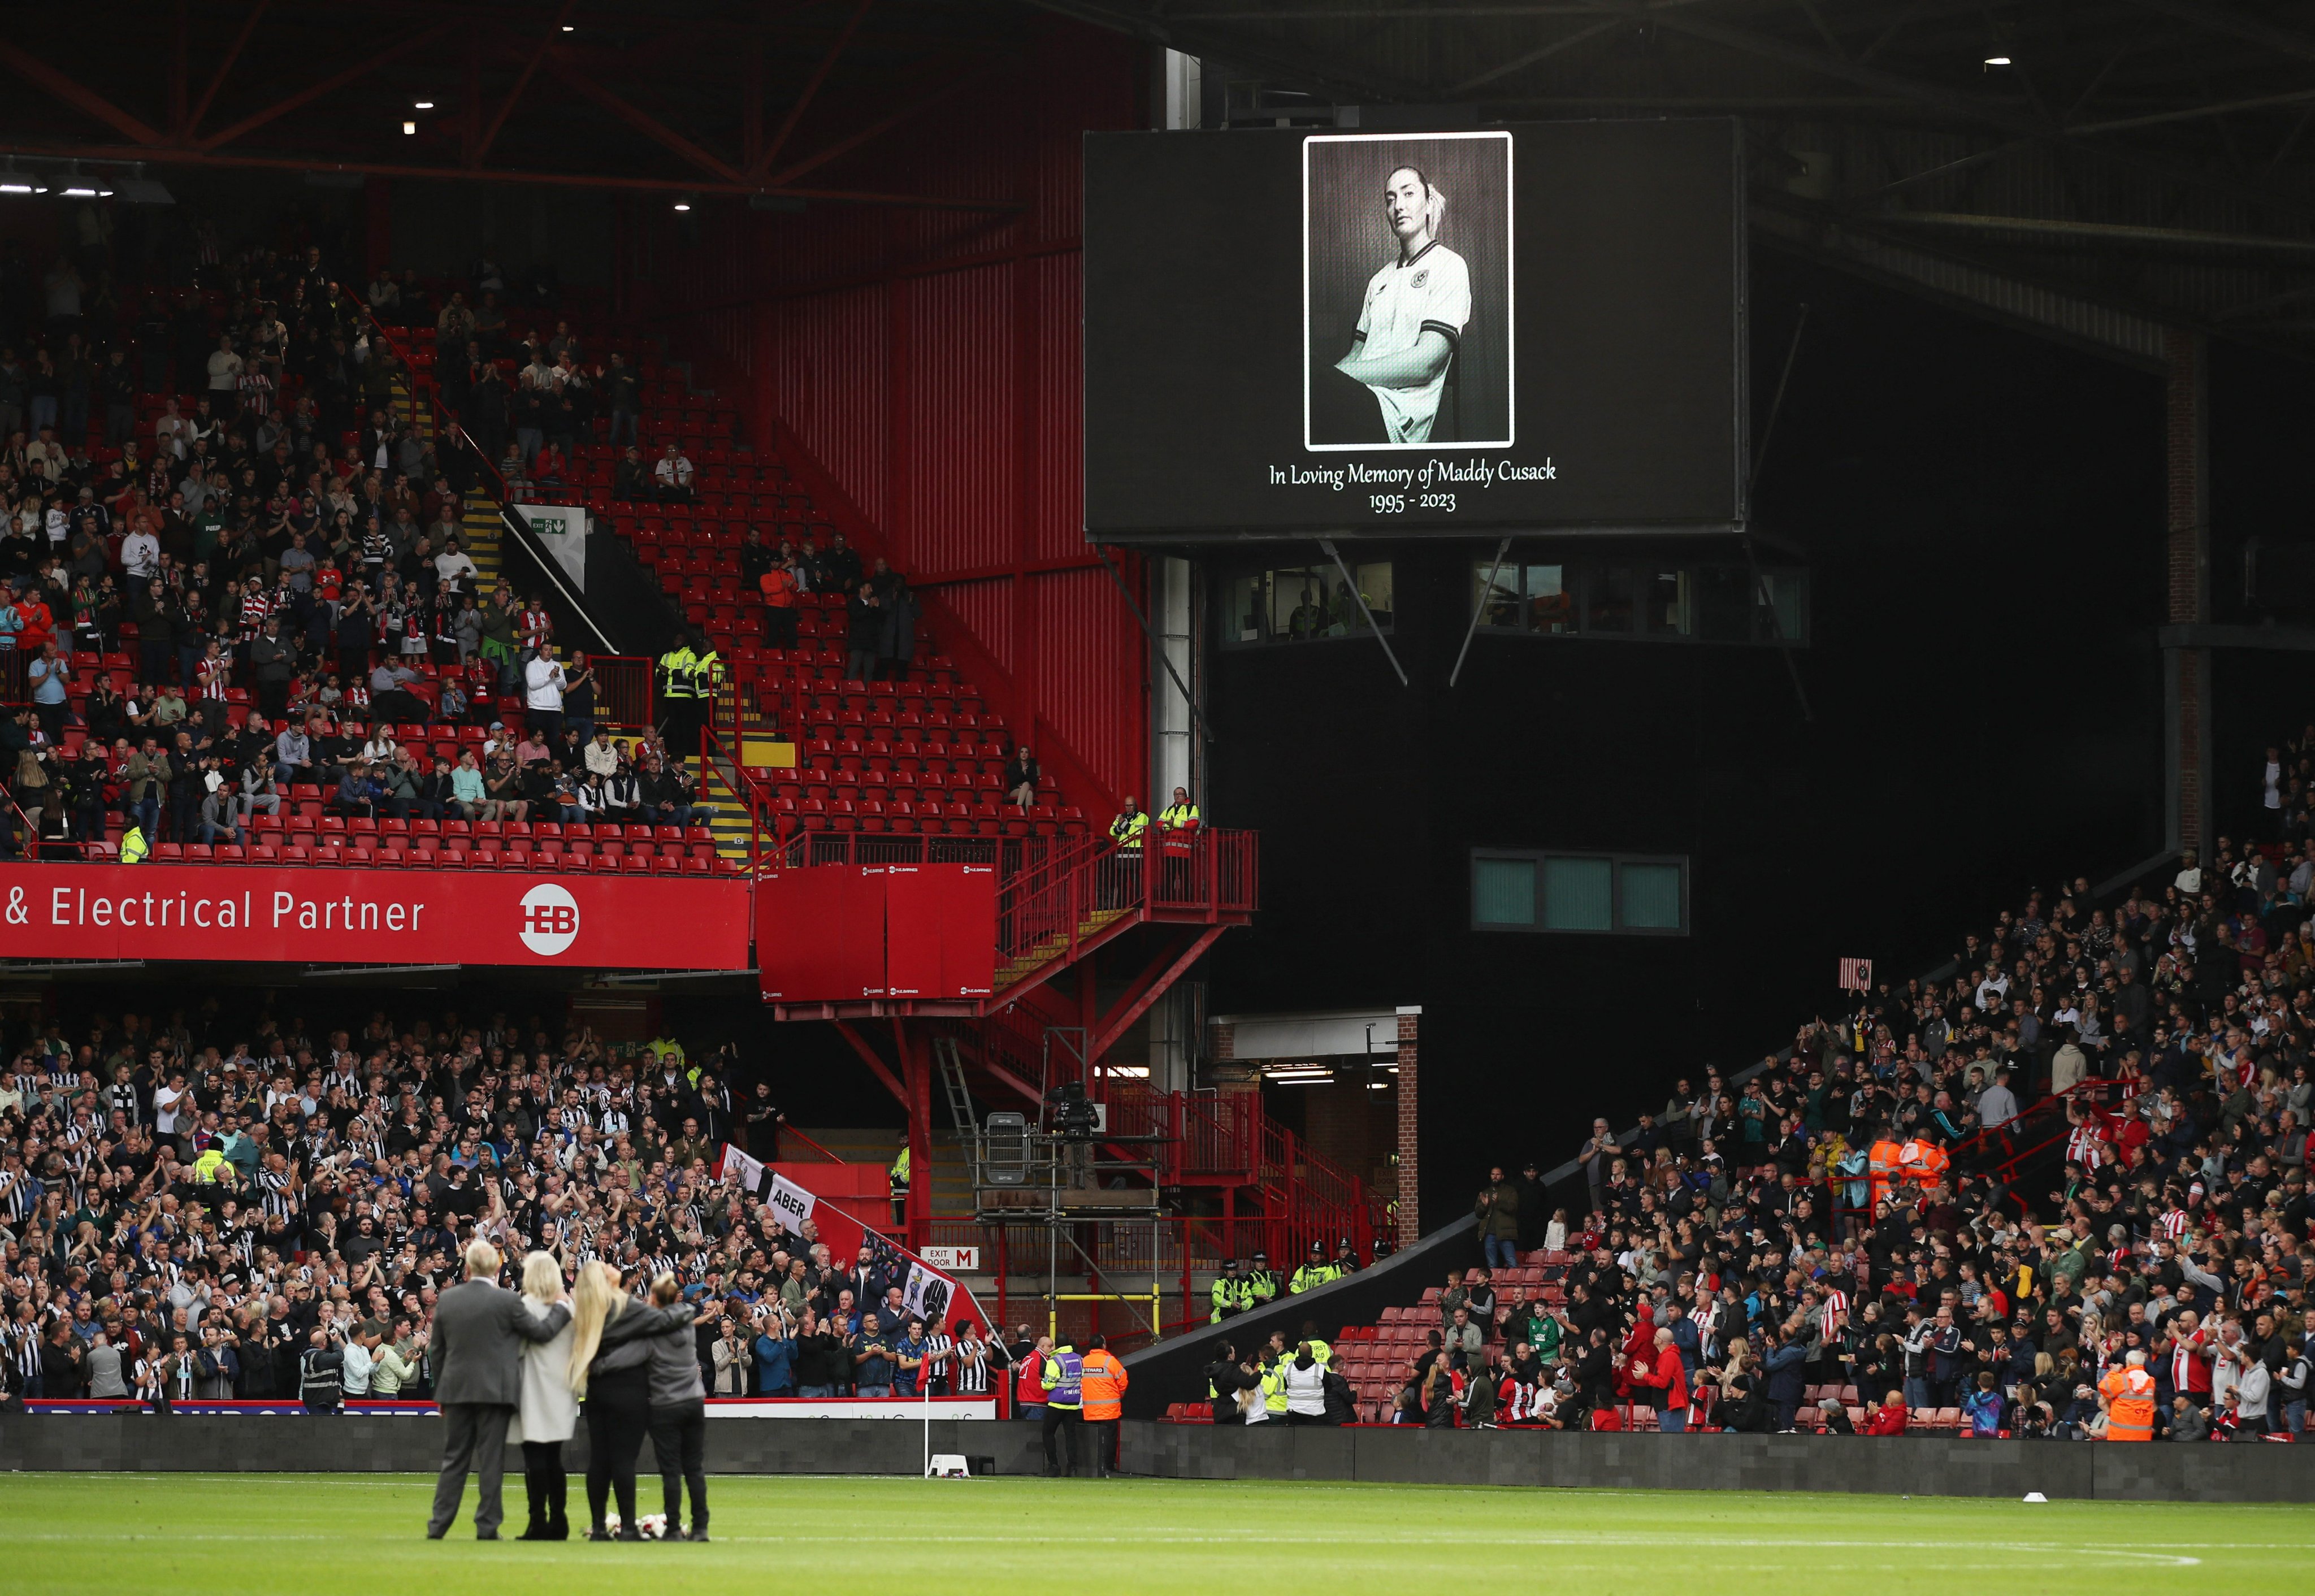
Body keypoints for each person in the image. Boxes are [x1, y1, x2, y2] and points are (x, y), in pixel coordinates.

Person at [424, 1238, 573, 1541]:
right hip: (496, 1392)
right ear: (496, 1266)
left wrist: (442, 1393)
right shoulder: (507, 1300)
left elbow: (435, 1351)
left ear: (467, 1267)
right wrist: (561, 1306)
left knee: (454, 1460)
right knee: (491, 1462)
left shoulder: (448, 1300)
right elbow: (541, 1334)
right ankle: (487, 1527)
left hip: (456, 1391)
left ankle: (438, 1526)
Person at [1323, 163, 1471, 446]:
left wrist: (1333, 379)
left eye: (1408, 194)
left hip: (1394, 416)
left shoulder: (1450, 266)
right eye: (1390, 199)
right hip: (1356, 398)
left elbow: (1425, 364)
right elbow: (1356, 357)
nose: (1398, 206)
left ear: (1428, 204)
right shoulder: (1378, 280)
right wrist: (1325, 381)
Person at [566, 1260, 694, 1542]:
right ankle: (627, 1527)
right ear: (604, 1279)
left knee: (599, 1459)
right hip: (629, 1388)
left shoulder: (588, 1310)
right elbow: (666, 1320)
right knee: (624, 1459)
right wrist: (687, 1307)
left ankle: (599, 1527)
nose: (610, 1266)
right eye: (605, 1266)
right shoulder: (624, 1305)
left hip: (597, 1389)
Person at [509, 1251, 578, 1540]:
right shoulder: (569, 1307)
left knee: (534, 1458)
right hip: (562, 1390)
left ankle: (538, 1520)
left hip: (532, 1390)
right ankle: (559, 1520)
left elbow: (517, 1349)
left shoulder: (525, 1306)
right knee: (554, 1458)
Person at [641, 1272, 712, 1541]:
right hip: (693, 1399)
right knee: (694, 1467)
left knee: (671, 1469)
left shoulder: (652, 1327)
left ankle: (673, 1527)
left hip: (665, 1402)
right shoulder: (686, 1320)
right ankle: (701, 1527)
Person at [1078, 1333, 1129, 1477]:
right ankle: (1108, 1467)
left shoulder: (1084, 1362)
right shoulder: (1110, 1361)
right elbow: (1123, 1380)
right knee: (1110, 1440)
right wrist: (1120, 1394)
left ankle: (1092, 1467)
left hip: (1090, 1411)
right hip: (1109, 1411)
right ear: (1104, 1345)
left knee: (1092, 1441)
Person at [1040, 1336, 1083, 1476]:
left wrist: (1043, 1383)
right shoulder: (1079, 1359)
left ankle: (1054, 1466)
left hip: (1057, 1404)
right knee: (1071, 1435)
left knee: (1048, 1433)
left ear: (1057, 1345)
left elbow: (1048, 1384)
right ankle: (1073, 1468)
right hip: (1073, 1404)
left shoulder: (1055, 1361)